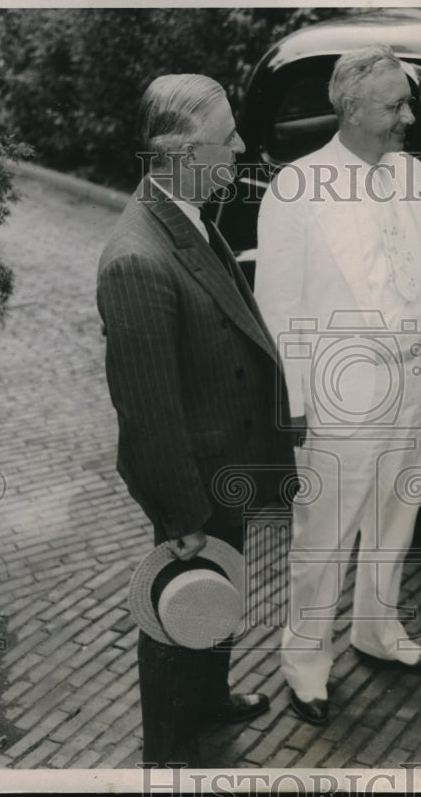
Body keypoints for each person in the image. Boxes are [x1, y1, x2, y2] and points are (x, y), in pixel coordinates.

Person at [96, 74, 295, 765]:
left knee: (224, 588)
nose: (241, 147)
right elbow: (148, 415)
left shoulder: (190, 213)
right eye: (227, 137)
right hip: (192, 481)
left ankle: (210, 696)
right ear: (181, 153)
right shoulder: (136, 260)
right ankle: (170, 749)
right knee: (177, 609)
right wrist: (180, 520)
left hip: (225, 465)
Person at [253, 44, 421, 725]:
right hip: (338, 397)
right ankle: (305, 663)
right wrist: (298, 407)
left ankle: (376, 629)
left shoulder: (414, 178)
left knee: (396, 521)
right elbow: (278, 310)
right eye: (396, 104)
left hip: (410, 382)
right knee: (324, 537)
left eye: (408, 103)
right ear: (353, 108)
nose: (408, 117)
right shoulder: (296, 188)